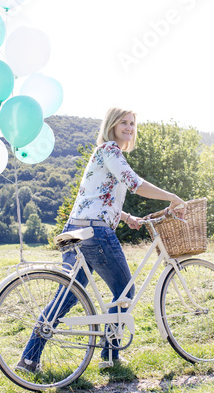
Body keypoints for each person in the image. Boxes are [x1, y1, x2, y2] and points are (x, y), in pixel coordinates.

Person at [17, 107, 186, 372]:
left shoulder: (104, 152)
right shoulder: (110, 150)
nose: (129, 127)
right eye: (124, 123)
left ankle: (29, 359)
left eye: (132, 123)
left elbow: (97, 196)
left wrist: (126, 216)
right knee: (124, 292)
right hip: (96, 232)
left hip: (76, 227)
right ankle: (110, 356)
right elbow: (134, 183)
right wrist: (172, 198)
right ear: (112, 125)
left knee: (69, 294)